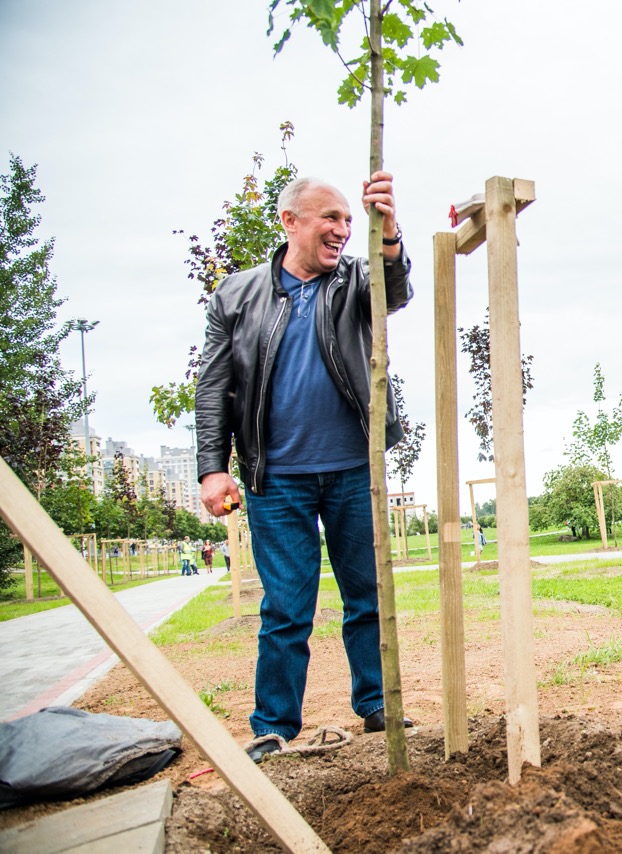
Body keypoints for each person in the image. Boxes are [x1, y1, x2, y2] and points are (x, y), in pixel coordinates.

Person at [196, 171, 414, 762]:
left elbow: (393, 291)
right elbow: (214, 386)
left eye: (349, 220)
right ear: (290, 222)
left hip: (352, 470)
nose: (342, 230)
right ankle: (273, 725)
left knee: (367, 594)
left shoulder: (353, 283)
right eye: (330, 218)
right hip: (276, 479)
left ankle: (378, 703)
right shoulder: (236, 297)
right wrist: (212, 468)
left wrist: (389, 234)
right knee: (286, 606)